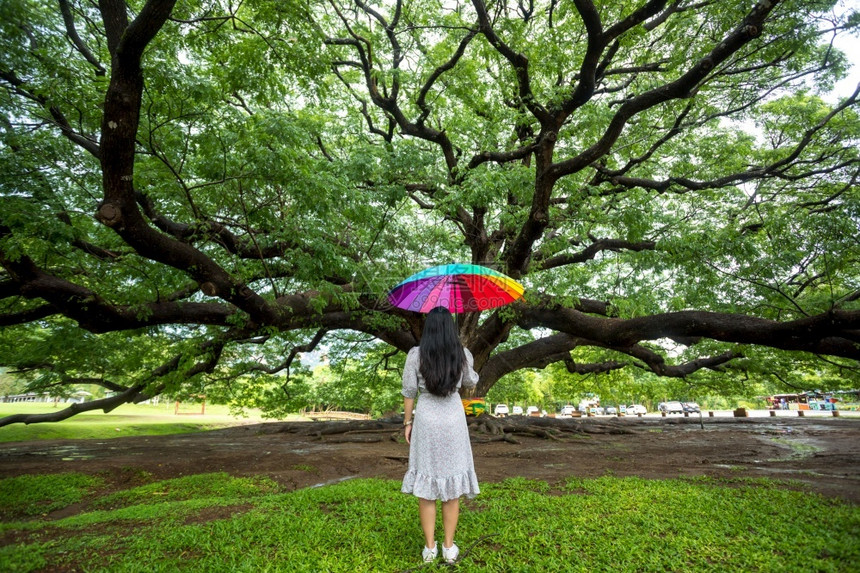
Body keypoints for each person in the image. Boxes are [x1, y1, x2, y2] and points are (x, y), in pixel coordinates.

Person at [401, 306, 480, 564]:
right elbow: (470, 382)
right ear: (450, 328)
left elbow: (409, 391)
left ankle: (430, 548)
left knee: (427, 488)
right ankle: (448, 548)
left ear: (429, 329)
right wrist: (468, 363)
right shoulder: (462, 354)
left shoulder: (415, 355)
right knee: (452, 488)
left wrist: (407, 422)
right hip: (452, 420)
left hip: (426, 419)